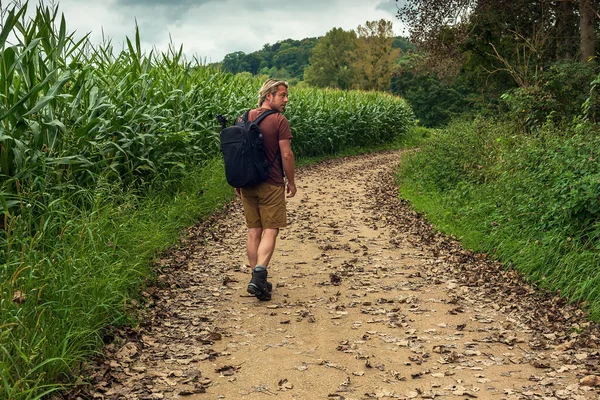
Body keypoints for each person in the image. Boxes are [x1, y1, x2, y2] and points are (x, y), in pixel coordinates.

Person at [236, 79, 297, 301]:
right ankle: (259, 275)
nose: (286, 99)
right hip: (271, 183)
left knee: (254, 231)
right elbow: (287, 155)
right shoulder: (279, 121)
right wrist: (291, 182)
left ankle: (256, 279)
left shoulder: (243, 117)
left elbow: (236, 153)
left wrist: (236, 182)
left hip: (247, 183)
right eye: (282, 95)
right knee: (271, 229)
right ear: (268, 96)